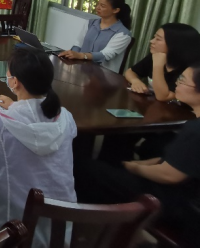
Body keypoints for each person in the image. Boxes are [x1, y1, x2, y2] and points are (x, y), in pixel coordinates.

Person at [0, 47, 77, 247]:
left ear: (15, 82)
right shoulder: (65, 116)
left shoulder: (1, 121)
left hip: (13, 227)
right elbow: (35, 123)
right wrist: (15, 106)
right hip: (59, 225)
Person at [75, 64, 200, 246]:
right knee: (111, 167)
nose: (177, 83)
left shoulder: (195, 129)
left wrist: (133, 167)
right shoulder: (194, 123)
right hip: (185, 194)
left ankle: (91, 233)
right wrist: (141, 165)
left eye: (182, 80)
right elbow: (176, 160)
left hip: (177, 203)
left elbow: (170, 175)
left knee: (87, 169)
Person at [58, 0, 132, 73]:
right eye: (98, 4)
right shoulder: (90, 23)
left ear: (115, 10)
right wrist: (72, 54)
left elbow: (106, 55)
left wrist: (81, 56)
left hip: (104, 74)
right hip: (82, 69)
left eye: (102, 6)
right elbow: (78, 44)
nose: (97, 8)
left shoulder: (123, 34)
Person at [125, 23, 200, 100]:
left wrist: (157, 66)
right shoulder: (156, 56)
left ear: (175, 44)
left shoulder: (190, 70)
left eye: (158, 39)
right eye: (154, 37)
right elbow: (130, 71)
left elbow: (163, 97)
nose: (151, 41)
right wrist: (135, 81)